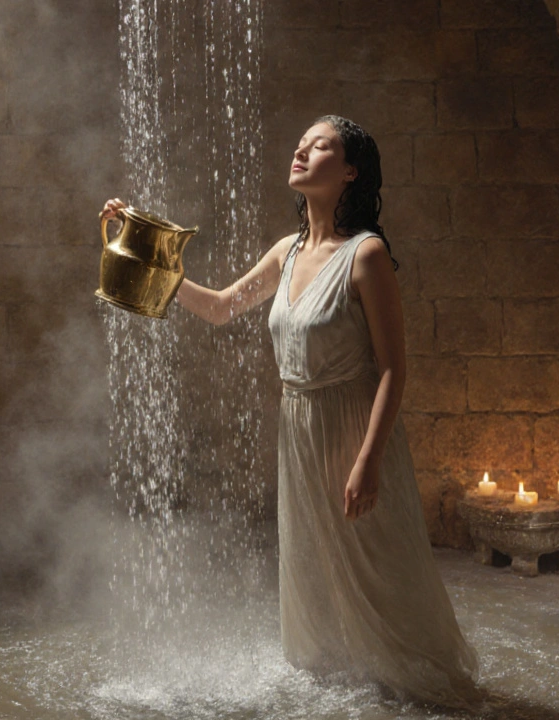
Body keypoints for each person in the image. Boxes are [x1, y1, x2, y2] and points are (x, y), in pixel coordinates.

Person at [100, 115, 481, 709]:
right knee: (314, 561)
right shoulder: (288, 250)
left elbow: (392, 369)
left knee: (376, 561)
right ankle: (338, 680)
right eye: (300, 141)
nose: (301, 150)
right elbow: (224, 308)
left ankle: (409, 680)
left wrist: (369, 461)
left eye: (319, 145)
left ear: (350, 170)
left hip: (353, 426)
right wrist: (138, 245)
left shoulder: (367, 255)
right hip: (299, 427)